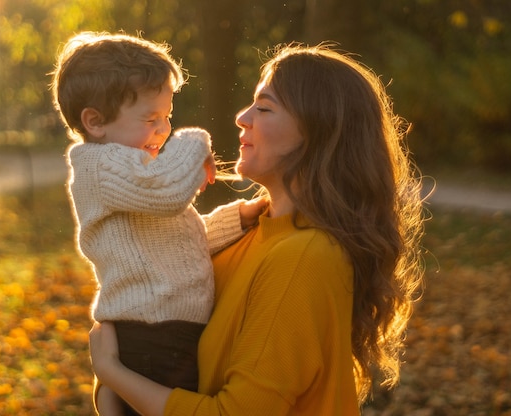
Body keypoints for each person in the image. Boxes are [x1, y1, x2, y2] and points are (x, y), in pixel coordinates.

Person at [89, 42, 424, 415]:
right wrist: (111, 384)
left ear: (319, 132)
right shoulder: (249, 233)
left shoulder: (305, 257)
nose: (242, 116)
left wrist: (110, 371)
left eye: (264, 107)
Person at [50, 31, 266, 415]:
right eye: (151, 118)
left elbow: (178, 242)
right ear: (95, 122)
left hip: (170, 333)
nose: (164, 129)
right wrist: (195, 140)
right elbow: (168, 191)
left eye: (167, 117)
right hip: (150, 336)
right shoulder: (99, 166)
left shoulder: (131, 173)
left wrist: (236, 218)